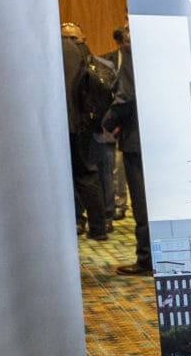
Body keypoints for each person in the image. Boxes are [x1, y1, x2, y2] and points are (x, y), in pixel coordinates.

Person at [107, 26, 151, 275]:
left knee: (142, 202)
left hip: (137, 138)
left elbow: (125, 96)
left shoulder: (132, 51)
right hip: (167, 135)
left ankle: (146, 259)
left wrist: (106, 124)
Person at [61, 22, 109, 240]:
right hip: (83, 126)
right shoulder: (85, 55)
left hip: (64, 126)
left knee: (77, 178)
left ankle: (80, 223)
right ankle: (98, 228)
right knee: (87, 177)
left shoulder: (55, 50)